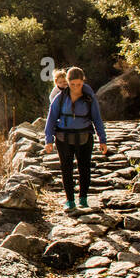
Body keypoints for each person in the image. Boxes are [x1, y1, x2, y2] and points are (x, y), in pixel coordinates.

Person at [44, 66, 108, 211]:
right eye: (72, 84)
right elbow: (51, 119)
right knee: (66, 169)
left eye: (79, 84)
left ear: (83, 82)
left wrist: (102, 139)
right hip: (63, 138)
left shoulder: (89, 98)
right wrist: (48, 140)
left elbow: (97, 118)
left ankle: (83, 198)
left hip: (84, 137)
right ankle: (70, 200)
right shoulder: (59, 99)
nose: (75, 87)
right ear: (67, 82)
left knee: (84, 168)